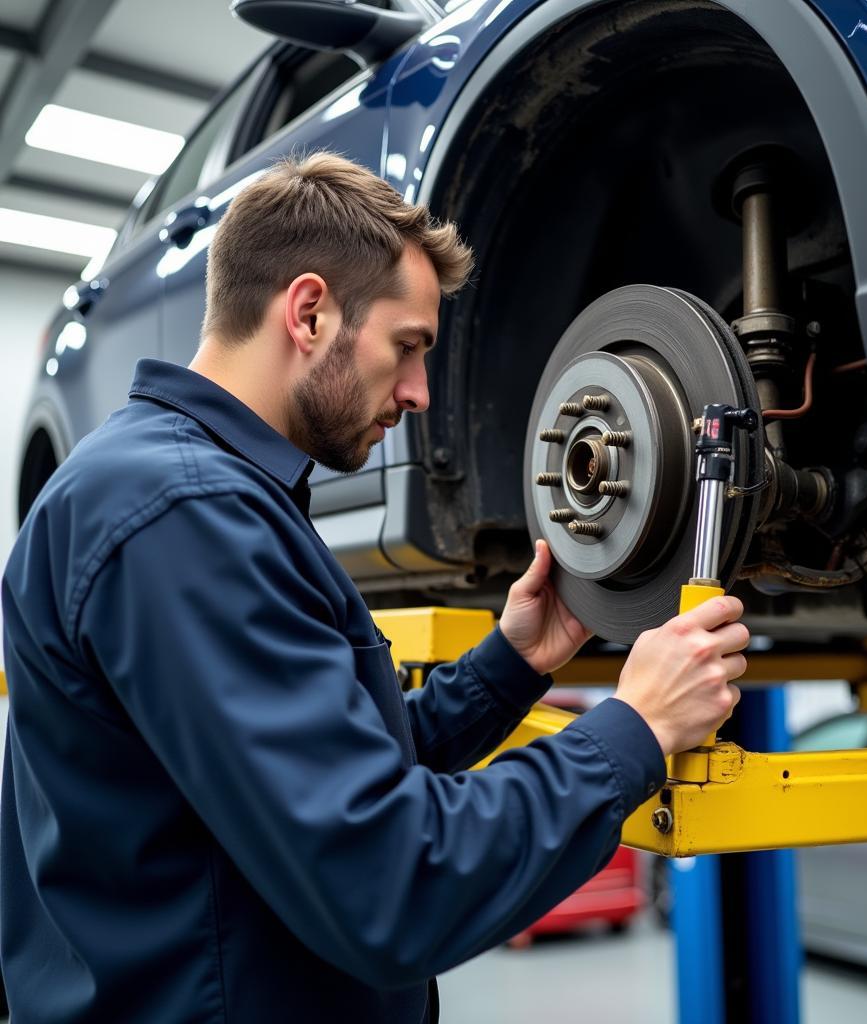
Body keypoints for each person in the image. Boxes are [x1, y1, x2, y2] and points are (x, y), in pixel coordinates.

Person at [1, 153, 748, 1023]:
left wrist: (509, 664)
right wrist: (635, 730)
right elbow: (392, 883)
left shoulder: (192, 495)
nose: (422, 392)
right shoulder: (182, 515)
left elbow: (339, 768)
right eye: (409, 346)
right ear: (309, 312)